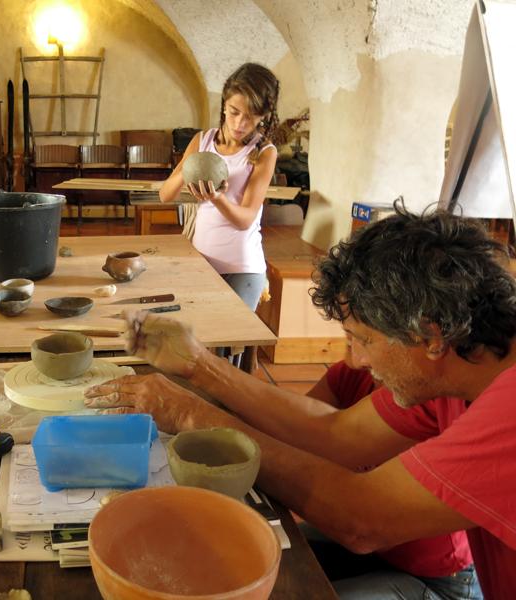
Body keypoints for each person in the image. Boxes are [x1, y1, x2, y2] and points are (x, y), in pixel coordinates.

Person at [85, 204, 516, 599]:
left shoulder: (507, 411)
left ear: (431, 335)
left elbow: (361, 520)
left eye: (363, 339)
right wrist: (199, 365)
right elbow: (337, 435)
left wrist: (189, 412)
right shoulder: (454, 371)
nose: (357, 359)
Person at [298, 351, 481, 598]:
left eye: (365, 339)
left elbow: (364, 530)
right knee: (282, 552)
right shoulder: (351, 375)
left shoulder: (424, 400)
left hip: (440, 580)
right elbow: (296, 434)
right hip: (376, 550)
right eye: (349, 333)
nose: (354, 357)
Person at [159, 63, 279, 311]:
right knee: (198, 339)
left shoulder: (265, 152)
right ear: (224, 103)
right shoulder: (202, 140)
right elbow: (165, 195)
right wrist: (190, 168)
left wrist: (217, 198)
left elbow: (245, 219)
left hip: (243, 268)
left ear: (263, 116)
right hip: (201, 261)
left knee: (226, 346)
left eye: (250, 117)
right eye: (234, 112)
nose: (240, 124)